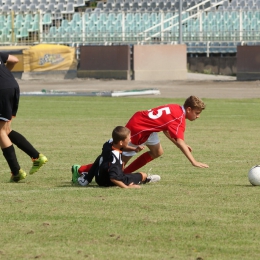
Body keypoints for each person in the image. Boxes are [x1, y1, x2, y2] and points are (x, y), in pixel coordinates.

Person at [122, 96, 209, 174]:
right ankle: (116, 176)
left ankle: (125, 174)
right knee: (122, 160)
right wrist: (194, 162)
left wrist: (181, 145)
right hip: (138, 128)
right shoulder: (179, 119)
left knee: (157, 152)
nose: (198, 116)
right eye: (197, 113)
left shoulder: (176, 107)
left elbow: (166, 130)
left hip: (148, 127)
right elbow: (180, 141)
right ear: (189, 109)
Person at [0, 52, 48, 182]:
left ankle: (16, 171)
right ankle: (36, 157)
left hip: (1, 90)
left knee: (0, 132)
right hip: (12, 86)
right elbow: (14, 60)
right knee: (6, 130)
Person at [71, 126, 160, 188]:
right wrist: (126, 187)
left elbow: (122, 147)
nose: (130, 140)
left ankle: (86, 179)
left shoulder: (108, 144)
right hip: (107, 182)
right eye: (128, 139)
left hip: (99, 176)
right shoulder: (115, 158)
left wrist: (134, 149)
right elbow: (113, 178)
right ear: (121, 142)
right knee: (141, 175)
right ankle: (147, 179)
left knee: (100, 158)